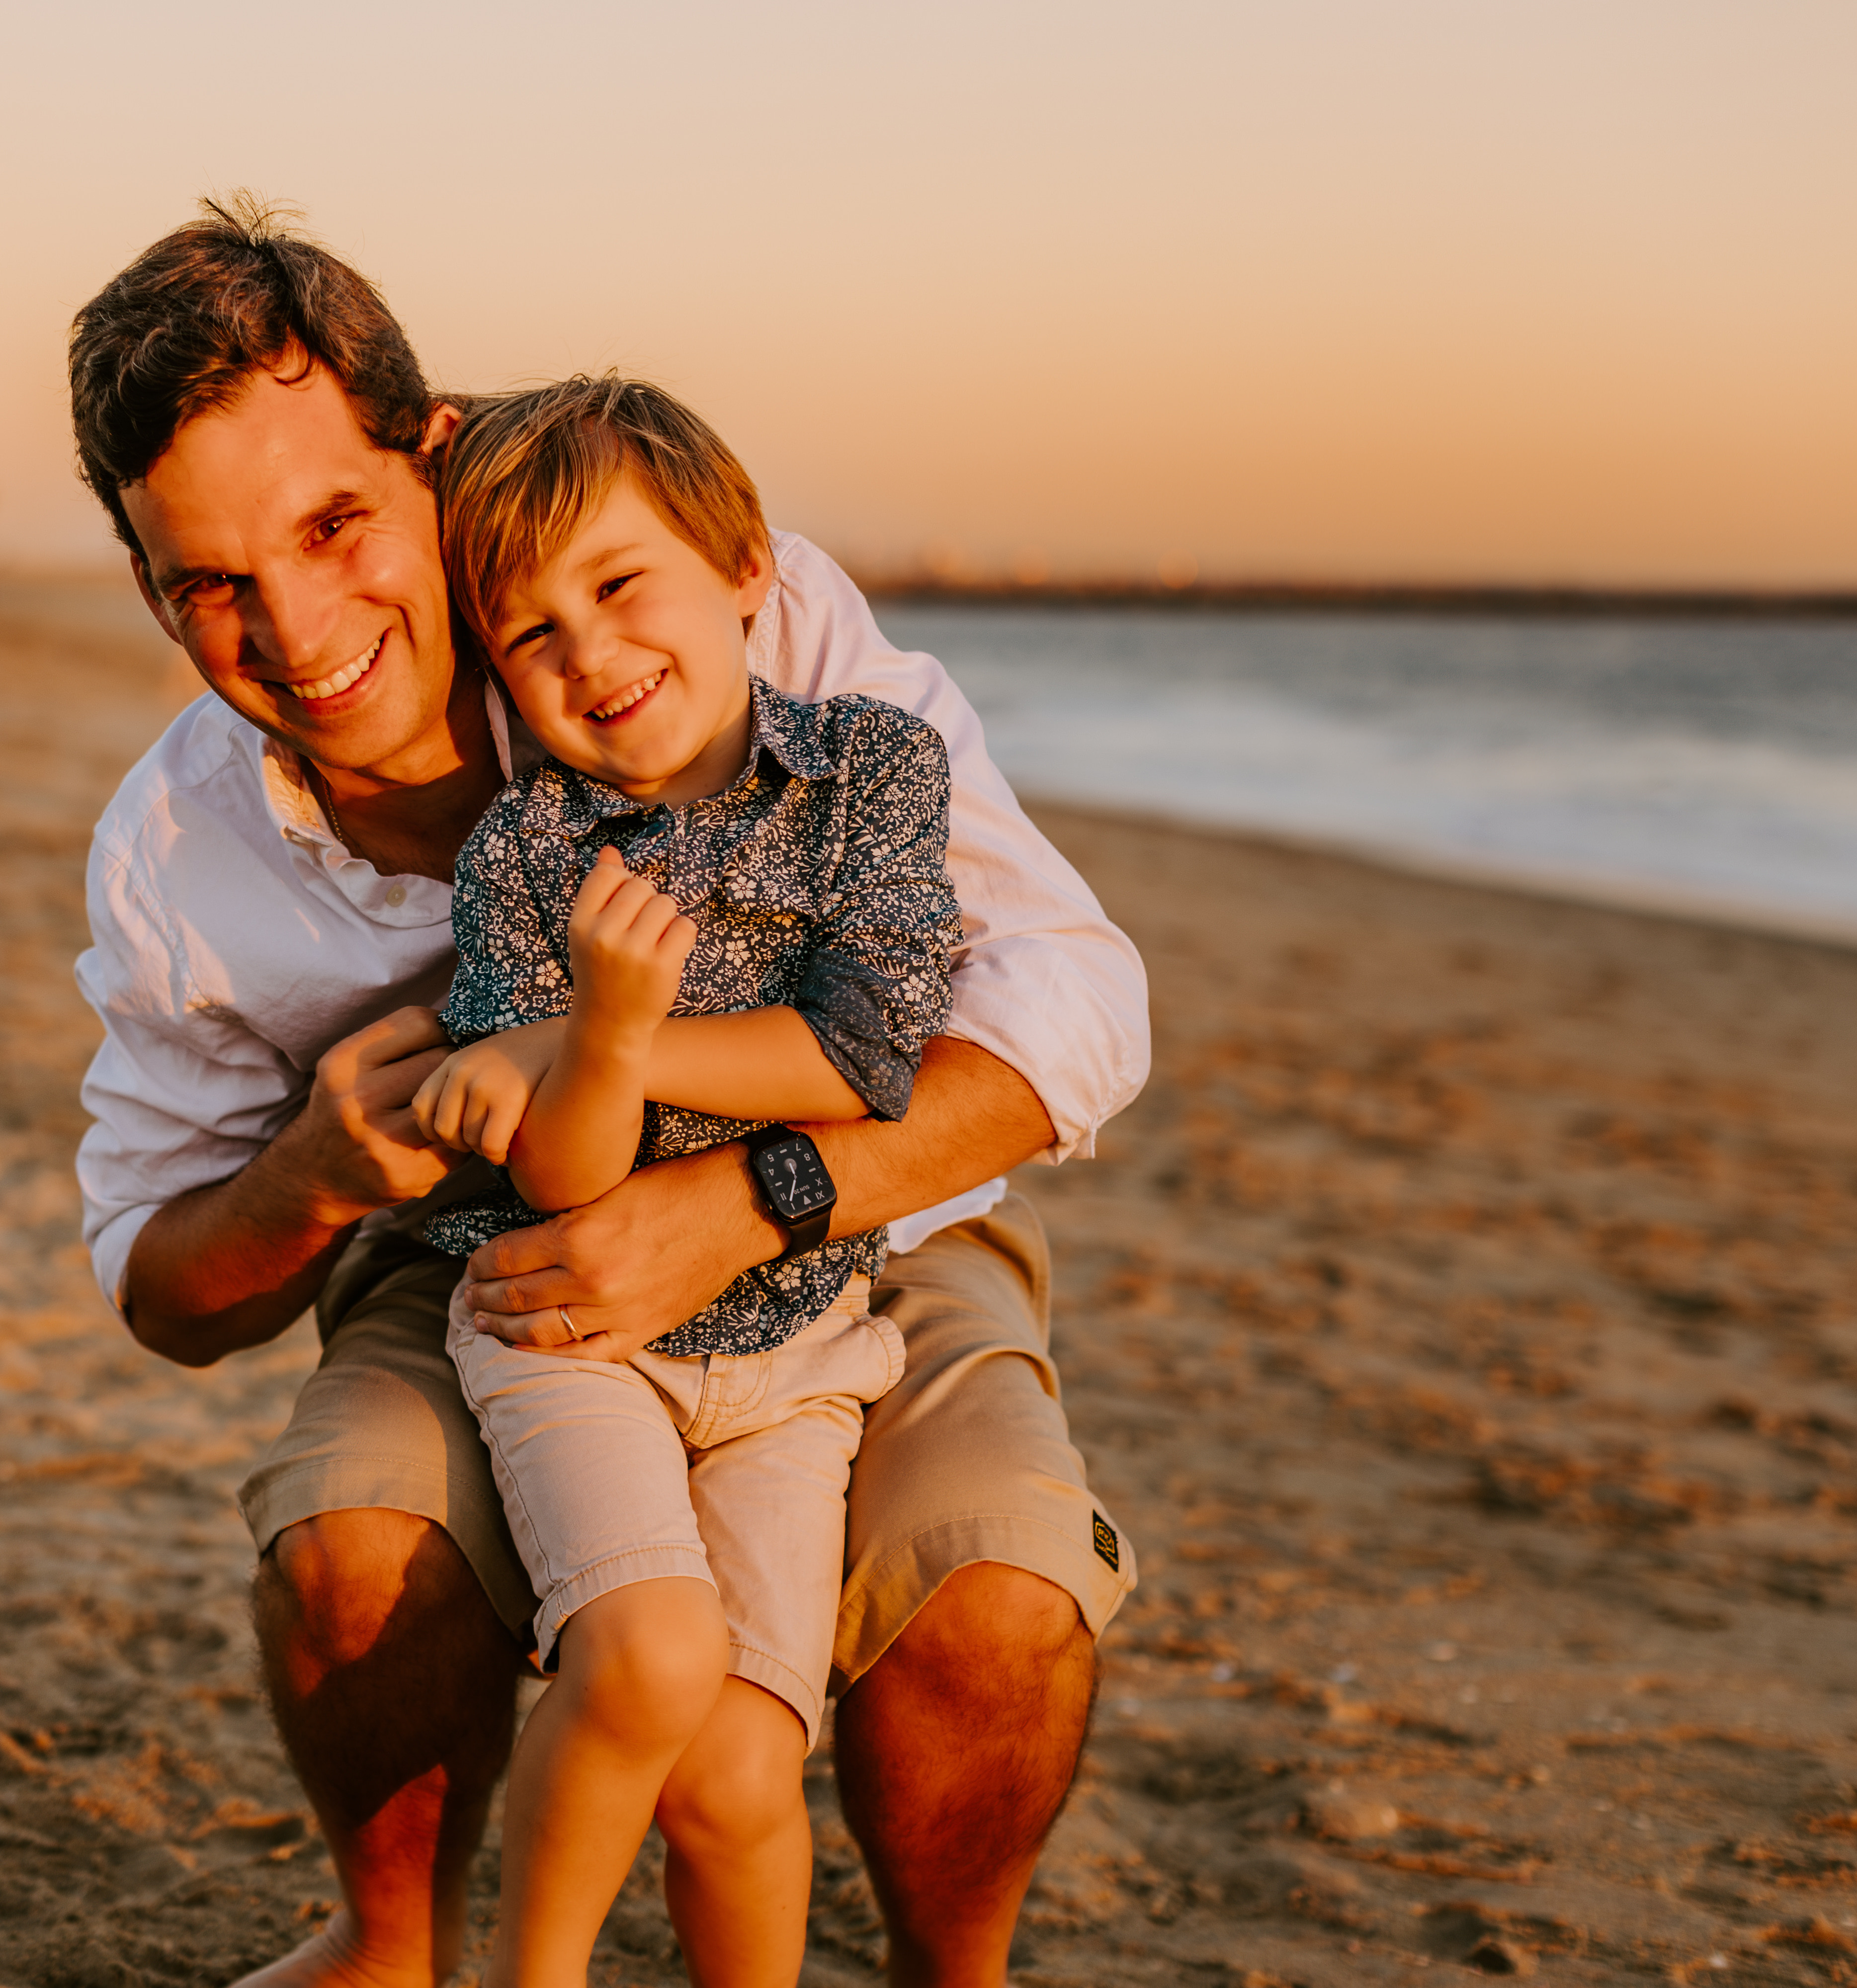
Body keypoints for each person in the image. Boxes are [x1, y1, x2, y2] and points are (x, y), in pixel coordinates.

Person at [68, 196, 1149, 1988]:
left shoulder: (680, 608)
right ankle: (390, 1948)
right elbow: (162, 1288)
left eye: (338, 525)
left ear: (430, 452)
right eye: (214, 582)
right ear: (149, 589)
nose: (303, 624)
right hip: (483, 1271)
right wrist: (320, 1176)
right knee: (353, 1538)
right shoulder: (177, 849)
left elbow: (1077, 996)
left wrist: (744, 1202)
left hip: (861, 1219)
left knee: (1001, 1589)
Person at [411, 375, 961, 1986]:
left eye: (620, 584)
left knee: (733, 1764)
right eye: (531, 634)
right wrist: (594, 1046)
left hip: (794, 1356)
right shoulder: (526, 850)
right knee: (648, 1657)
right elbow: (559, 1183)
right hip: (574, 1334)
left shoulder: (872, 771)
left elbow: (868, 1056)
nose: (590, 654)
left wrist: (621, 1039)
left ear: (743, 573)